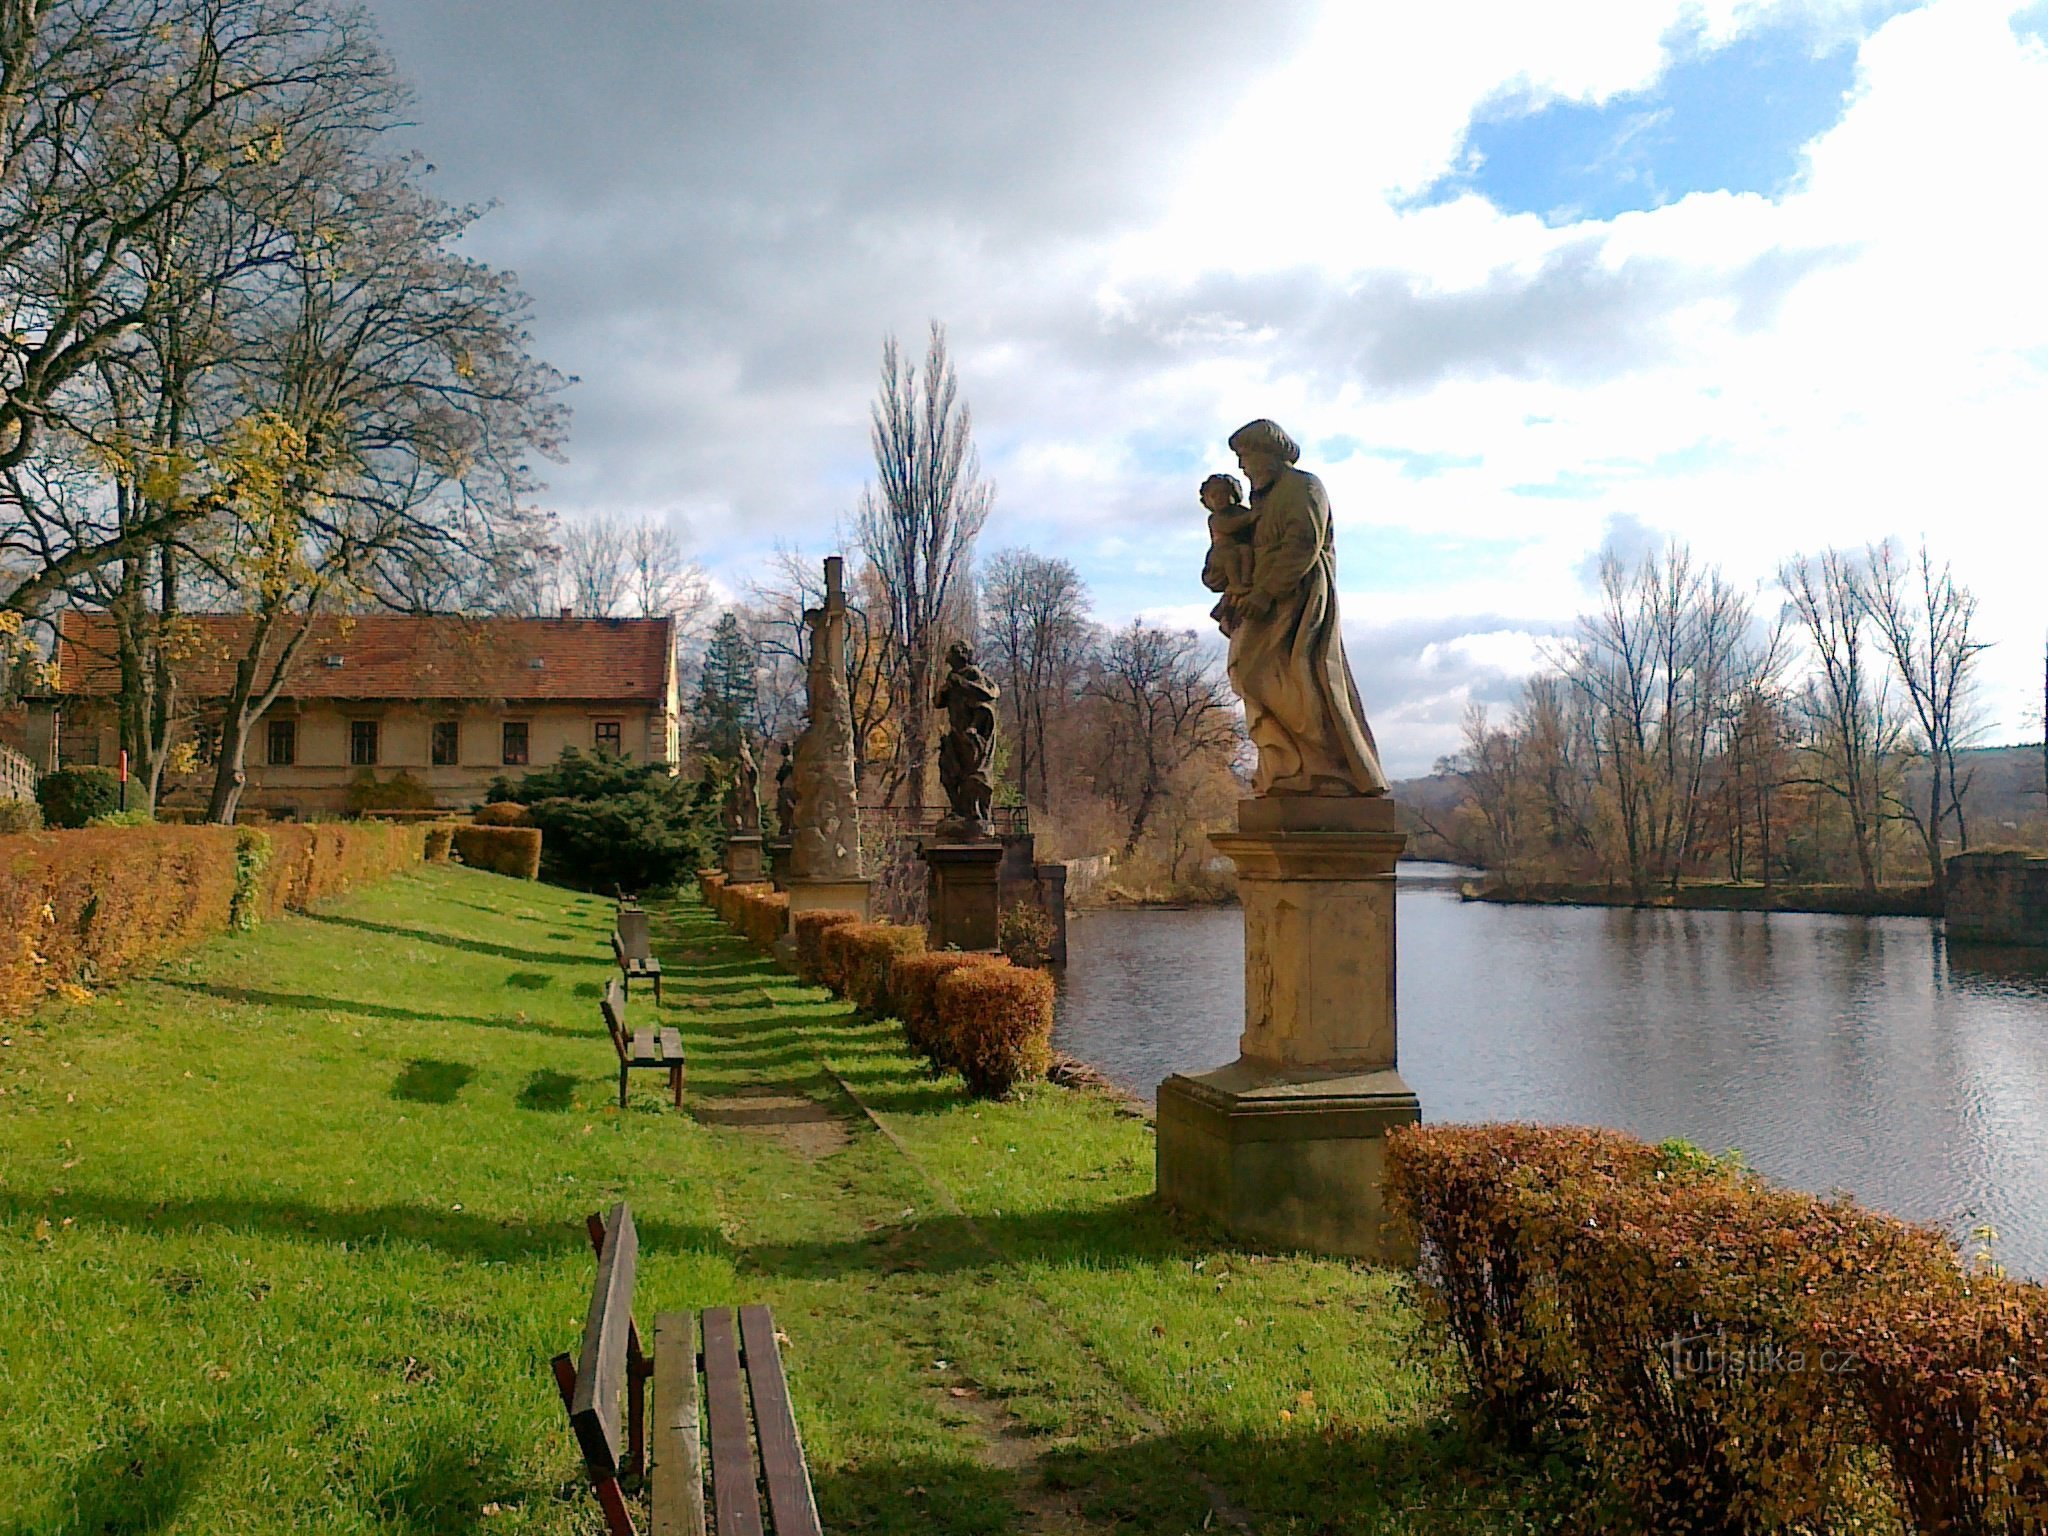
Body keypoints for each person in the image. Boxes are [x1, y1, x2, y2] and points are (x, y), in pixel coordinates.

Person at [1207, 418, 1388, 797]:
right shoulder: (1264, 499)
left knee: (1292, 677)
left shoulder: (1303, 486)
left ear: (1268, 453)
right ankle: (1286, 766)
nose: (1242, 467)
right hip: (1265, 598)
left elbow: (1302, 544)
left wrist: (1266, 592)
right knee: (1251, 675)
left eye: (1246, 456)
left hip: (1295, 598)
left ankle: (1327, 768)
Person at [1199, 472, 1258, 635]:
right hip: (1221, 555)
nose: (1219, 498)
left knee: (1246, 551)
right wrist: (1252, 517)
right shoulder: (1216, 518)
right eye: (1213, 496)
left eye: (1224, 493)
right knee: (1232, 555)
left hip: (1240, 550)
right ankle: (1235, 584)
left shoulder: (1241, 511)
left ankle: (1244, 582)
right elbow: (1230, 526)